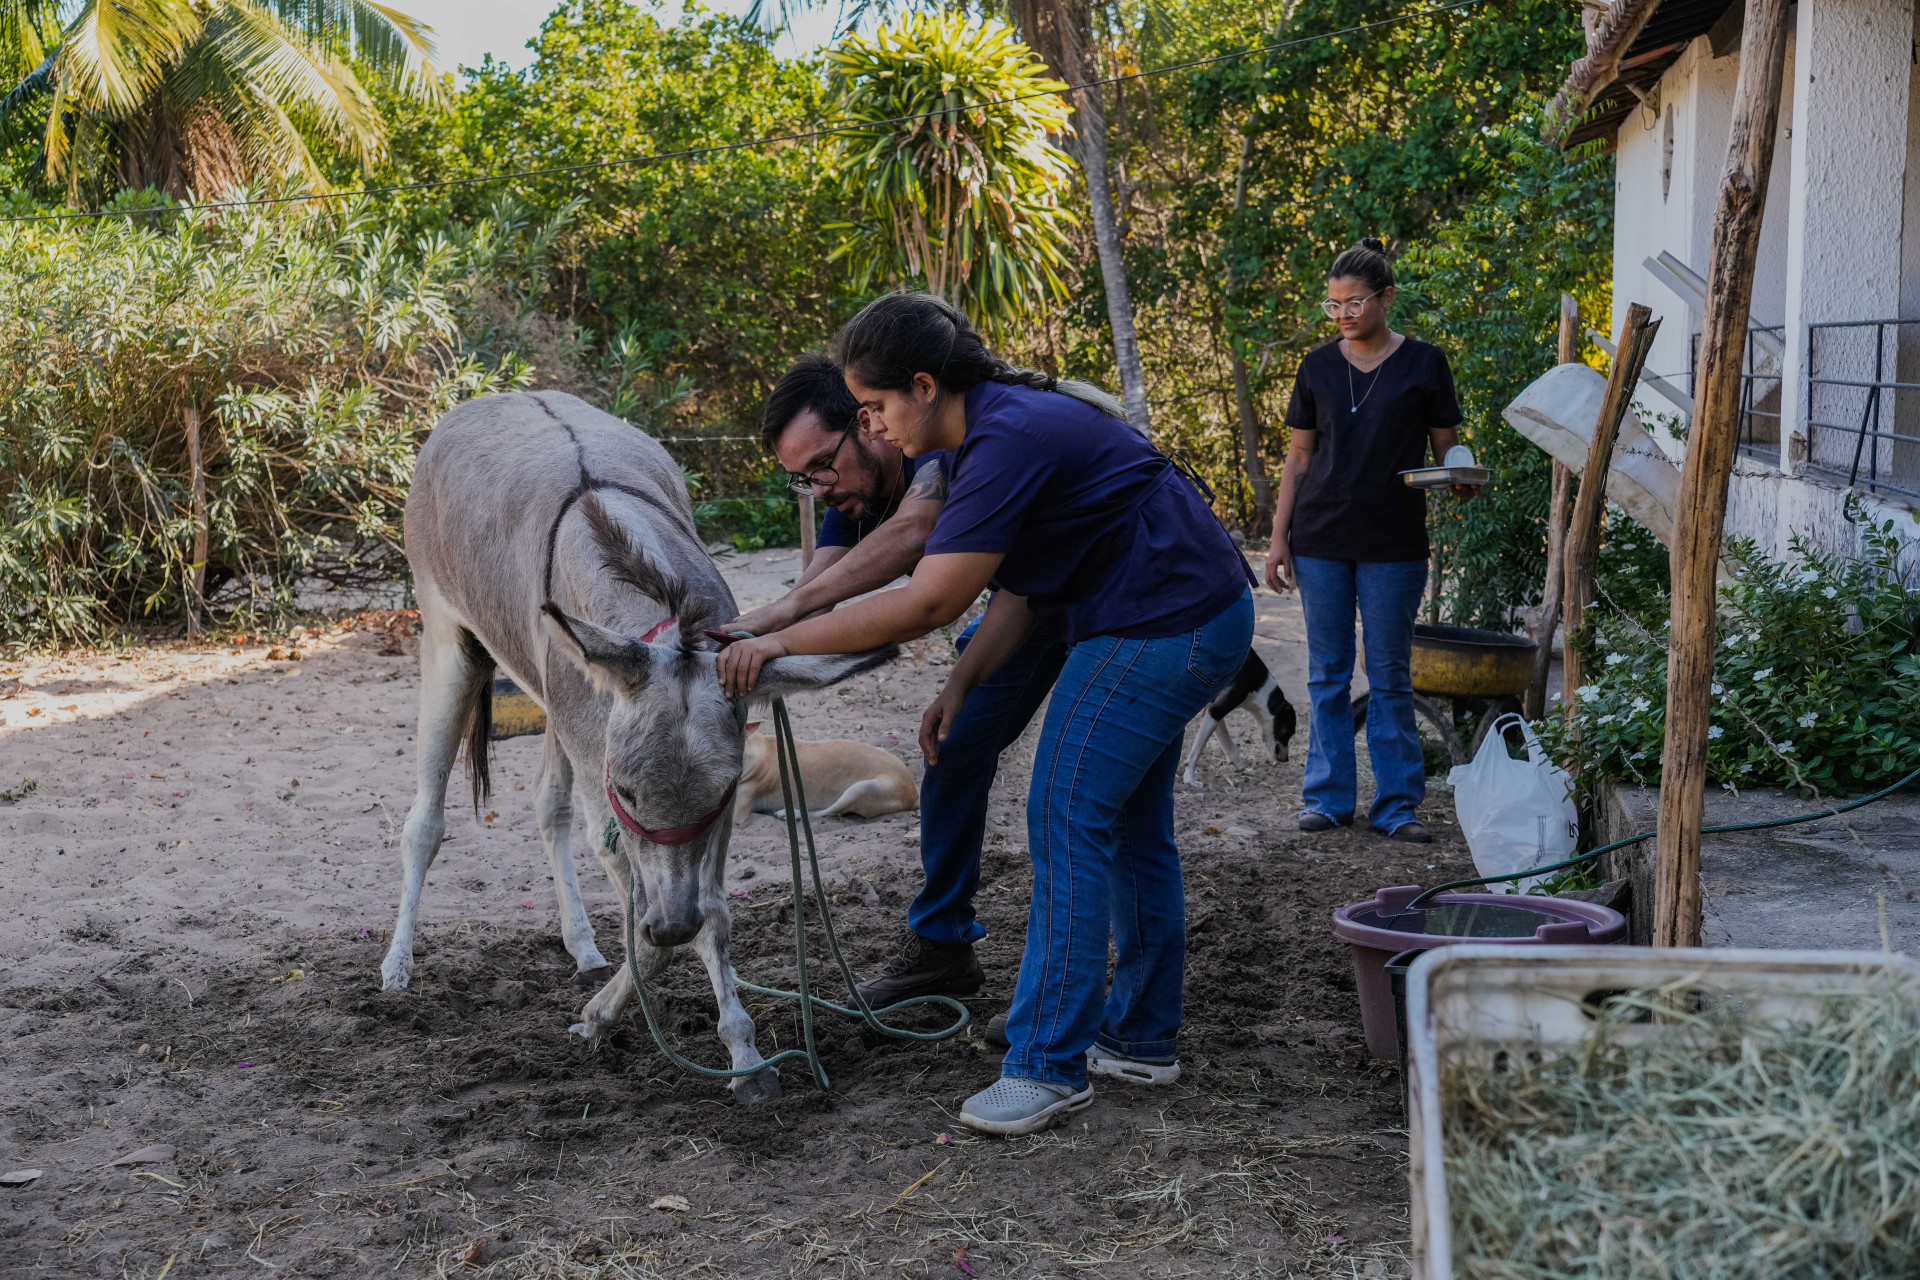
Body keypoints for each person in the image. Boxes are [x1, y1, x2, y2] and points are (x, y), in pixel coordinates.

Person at [718, 293, 1254, 1137]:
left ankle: (1047, 1063)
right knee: (1129, 827)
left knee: (1065, 812)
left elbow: (927, 599)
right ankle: (1140, 1037)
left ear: (924, 387)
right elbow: (1029, 581)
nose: (878, 428)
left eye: (877, 409)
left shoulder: (1004, 438)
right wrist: (963, 683)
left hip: (1160, 623)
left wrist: (775, 643)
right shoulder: (979, 437)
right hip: (1175, 612)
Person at [725, 354, 1069, 1010]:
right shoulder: (849, 489)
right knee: (956, 743)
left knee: (1073, 796)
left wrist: (773, 627)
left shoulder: (932, 445)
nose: (821, 488)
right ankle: (943, 946)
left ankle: (1067, 999)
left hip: (1093, 597)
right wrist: (740, 639)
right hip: (1022, 599)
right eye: (804, 480)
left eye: (823, 466)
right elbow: (815, 592)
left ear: (869, 422)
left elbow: (915, 537)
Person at [1263, 238, 1477, 844]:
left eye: (1354, 303)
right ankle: (1328, 799)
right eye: (1333, 306)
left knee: (1389, 676)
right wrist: (1279, 539)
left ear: (1385, 297)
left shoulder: (1425, 363)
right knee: (1327, 674)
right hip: (1319, 536)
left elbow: (1447, 449)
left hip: (1395, 542)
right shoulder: (1317, 367)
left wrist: (1459, 476)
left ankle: (1396, 807)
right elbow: (1299, 456)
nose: (1343, 316)